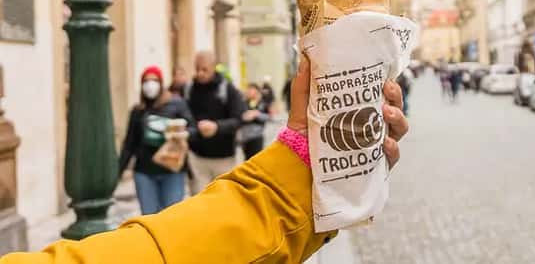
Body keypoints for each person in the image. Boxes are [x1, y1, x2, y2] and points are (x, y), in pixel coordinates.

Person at [0, 57, 410, 263]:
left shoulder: (195, 96)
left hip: (203, 162)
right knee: (158, 216)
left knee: (169, 215)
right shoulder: (151, 106)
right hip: (167, 167)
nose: (197, 72)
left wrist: (210, 129)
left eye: (201, 67)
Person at [119, 66, 195, 215]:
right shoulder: (138, 111)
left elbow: (193, 129)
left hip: (172, 170)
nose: (150, 85)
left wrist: (183, 134)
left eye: (154, 80)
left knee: (171, 216)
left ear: (161, 83)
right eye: (146, 81)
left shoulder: (176, 104)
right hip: (144, 172)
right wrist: (119, 170)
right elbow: (129, 143)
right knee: (149, 217)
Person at [184, 51, 244, 194]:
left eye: (204, 69)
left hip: (223, 158)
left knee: (222, 202)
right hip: (197, 157)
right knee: (199, 203)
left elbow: (238, 119)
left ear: (213, 67)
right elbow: (185, 117)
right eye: (197, 69)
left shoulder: (228, 89)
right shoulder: (189, 89)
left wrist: (217, 127)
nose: (200, 73)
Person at [240, 83, 269, 160]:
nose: (249, 92)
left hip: (257, 136)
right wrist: (244, 116)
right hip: (245, 137)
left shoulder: (262, 103)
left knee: (256, 160)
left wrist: (256, 114)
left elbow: (267, 117)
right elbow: (239, 116)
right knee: (247, 159)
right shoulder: (243, 103)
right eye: (248, 90)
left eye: (252, 90)